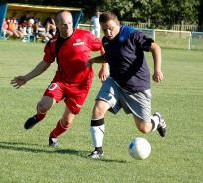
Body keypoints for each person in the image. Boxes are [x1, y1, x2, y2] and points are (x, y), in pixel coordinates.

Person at [10, 10, 109, 147]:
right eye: (64, 24)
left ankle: (53, 136)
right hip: (61, 81)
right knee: (42, 106)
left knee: (67, 121)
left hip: (81, 86)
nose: (68, 26)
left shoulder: (85, 36)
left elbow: (104, 47)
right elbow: (45, 63)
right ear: (57, 25)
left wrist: (104, 67)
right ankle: (39, 116)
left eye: (70, 23)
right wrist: (26, 78)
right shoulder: (53, 42)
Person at [86, 11, 167, 159]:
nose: (108, 32)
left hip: (137, 88)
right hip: (115, 82)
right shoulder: (105, 40)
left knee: (144, 128)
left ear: (118, 24)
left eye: (111, 28)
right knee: (98, 108)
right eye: (104, 29)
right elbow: (109, 56)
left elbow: (156, 48)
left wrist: (157, 70)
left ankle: (157, 119)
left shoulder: (132, 34)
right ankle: (98, 150)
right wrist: (93, 61)